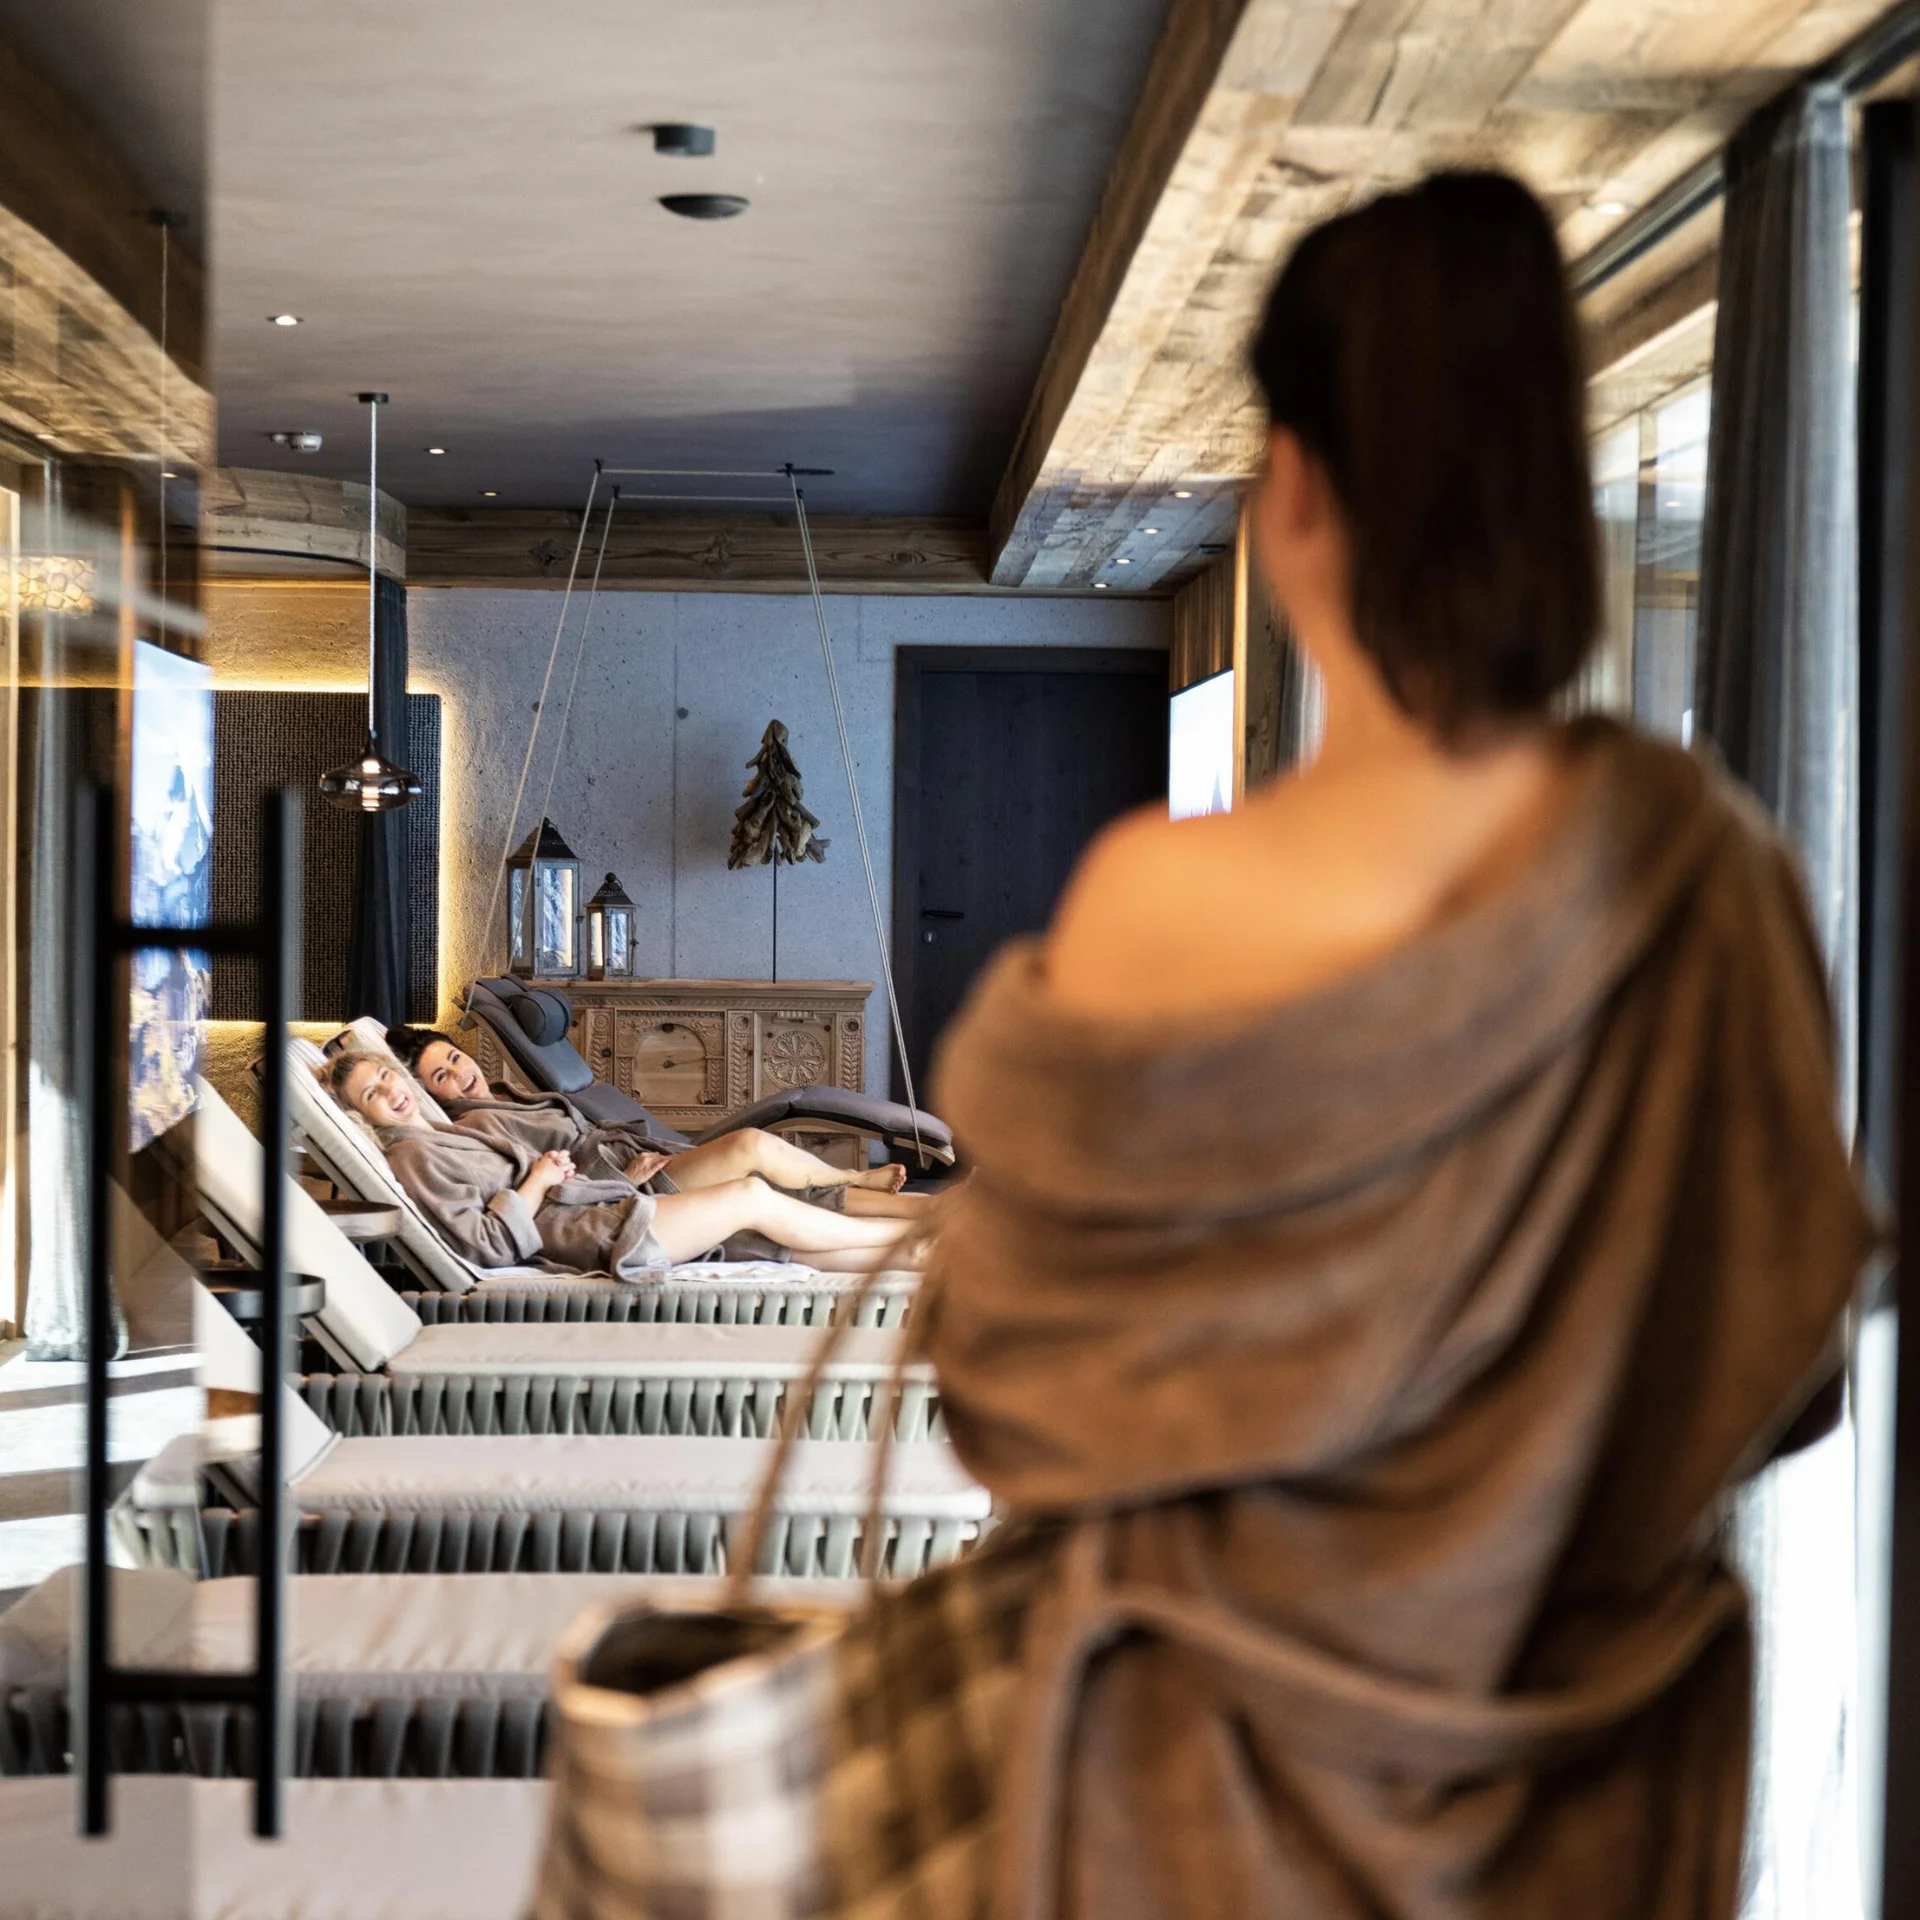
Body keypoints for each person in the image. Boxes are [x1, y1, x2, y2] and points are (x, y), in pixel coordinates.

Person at [900, 172, 1878, 1918]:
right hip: (1580, 1806)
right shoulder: (1704, 879)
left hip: (1182, 1809)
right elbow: (1784, 1365)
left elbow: (1008, 1401)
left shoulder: (1157, 905)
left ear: (1294, 493)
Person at [325, 1051, 923, 1278]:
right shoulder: (412, 1155)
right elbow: (485, 1246)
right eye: (372, 1094)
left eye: (385, 1076)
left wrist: (557, 1176)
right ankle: (905, 1238)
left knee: (757, 1233)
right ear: (360, 1115)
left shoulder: (439, 1133)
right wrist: (540, 1180)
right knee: (751, 1198)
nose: (390, 1091)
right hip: (590, 1233)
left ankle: (919, 1254)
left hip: (605, 1204)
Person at [382, 1024, 919, 1218]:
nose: (460, 1075)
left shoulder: (503, 1092)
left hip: (635, 1155)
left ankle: (912, 1211)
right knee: (751, 1148)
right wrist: (622, 1178)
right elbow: (540, 1183)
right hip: (624, 1186)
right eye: (440, 1078)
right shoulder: (476, 1126)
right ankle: (856, 1179)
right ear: (429, 1095)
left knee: (766, 1176)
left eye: (455, 1058)